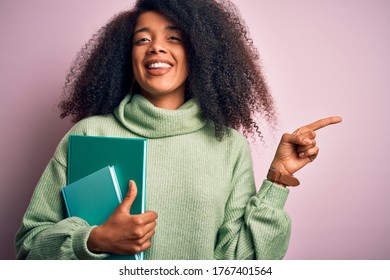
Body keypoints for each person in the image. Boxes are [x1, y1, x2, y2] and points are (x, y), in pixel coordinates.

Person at [15, 0, 341, 260]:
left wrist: (277, 180)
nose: (155, 47)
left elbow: (242, 263)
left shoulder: (227, 144)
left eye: (174, 37)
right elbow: (29, 249)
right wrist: (95, 240)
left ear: (198, 51)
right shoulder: (89, 135)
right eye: (142, 39)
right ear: (125, 57)